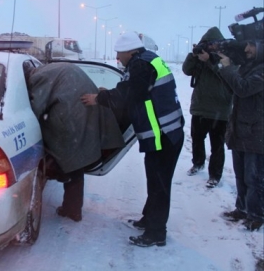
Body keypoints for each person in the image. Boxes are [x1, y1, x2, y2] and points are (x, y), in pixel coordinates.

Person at [81, 32, 185, 247]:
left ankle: (156, 234)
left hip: (163, 134)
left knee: (159, 184)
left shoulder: (141, 65)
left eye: (119, 54)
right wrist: (109, 92)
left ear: (130, 51)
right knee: (155, 180)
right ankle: (149, 219)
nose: (118, 58)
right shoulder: (145, 61)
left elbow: (129, 94)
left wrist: (99, 98)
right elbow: (134, 90)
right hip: (165, 132)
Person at [23, 62, 125, 222]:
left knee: (72, 163)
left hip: (72, 117)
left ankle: (71, 209)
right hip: (83, 111)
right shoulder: (52, 68)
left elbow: (35, 106)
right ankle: (72, 206)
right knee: (75, 162)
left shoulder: (38, 78)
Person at [217, 40, 264, 231]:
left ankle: (256, 214)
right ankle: (242, 209)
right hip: (242, 129)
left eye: (252, 45)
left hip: (257, 132)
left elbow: (243, 89)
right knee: (241, 174)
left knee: (254, 177)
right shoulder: (249, 67)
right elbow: (234, 87)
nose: (247, 50)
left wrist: (228, 69)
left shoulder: (261, 71)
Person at [182, 27, 233, 188]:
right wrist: (194, 55)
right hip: (200, 107)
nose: (211, 47)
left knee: (217, 145)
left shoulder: (227, 56)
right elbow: (186, 70)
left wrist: (209, 59)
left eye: (213, 44)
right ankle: (197, 163)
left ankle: (215, 175)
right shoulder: (201, 56)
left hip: (220, 109)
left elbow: (226, 73)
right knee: (197, 138)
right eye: (208, 44)